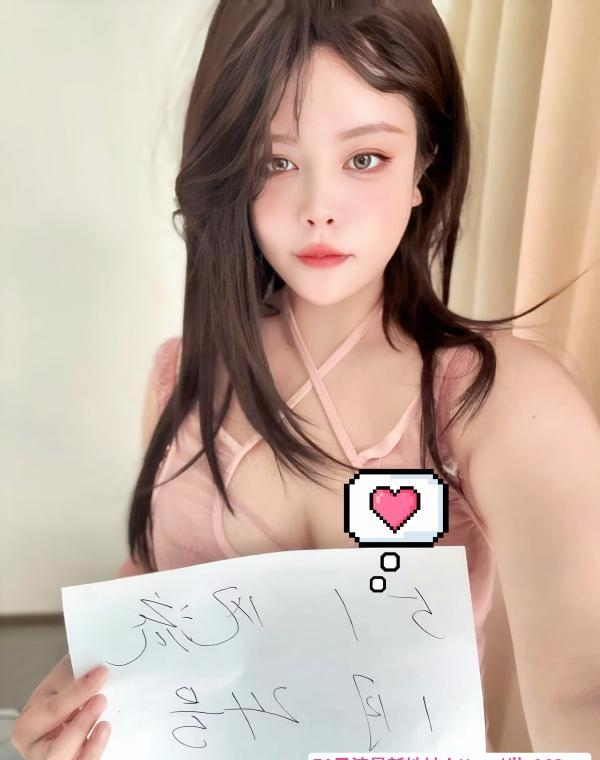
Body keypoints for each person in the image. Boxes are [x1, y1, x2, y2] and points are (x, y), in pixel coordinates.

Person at [12, 1, 600, 757]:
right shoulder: (182, 378)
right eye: (275, 162)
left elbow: (581, 681)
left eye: (365, 158)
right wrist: (77, 702)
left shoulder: (499, 396)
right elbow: (151, 584)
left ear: (425, 162)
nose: (319, 210)